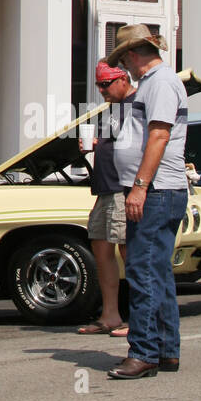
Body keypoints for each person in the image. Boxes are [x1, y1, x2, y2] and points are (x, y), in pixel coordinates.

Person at [103, 25, 189, 380]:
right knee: (156, 270)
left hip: (156, 191)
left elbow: (159, 135)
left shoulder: (161, 83)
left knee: (141, 269)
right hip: (157, 190)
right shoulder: (156, 83)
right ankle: (165, 350)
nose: (124, 65)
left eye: (124, 58)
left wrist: (139, 186)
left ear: (133, 55)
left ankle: (144, 351)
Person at [76, 59, 135, 337]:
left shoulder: (138, 105)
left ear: (123, 78)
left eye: (105, 84)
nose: (101, 90)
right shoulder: (110, 110)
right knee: (101, 249)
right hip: (104, 189)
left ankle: (139, 317)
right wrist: (94, 144)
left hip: (124, 188)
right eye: (98, 85)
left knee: (129, 252)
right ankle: (110, 314)